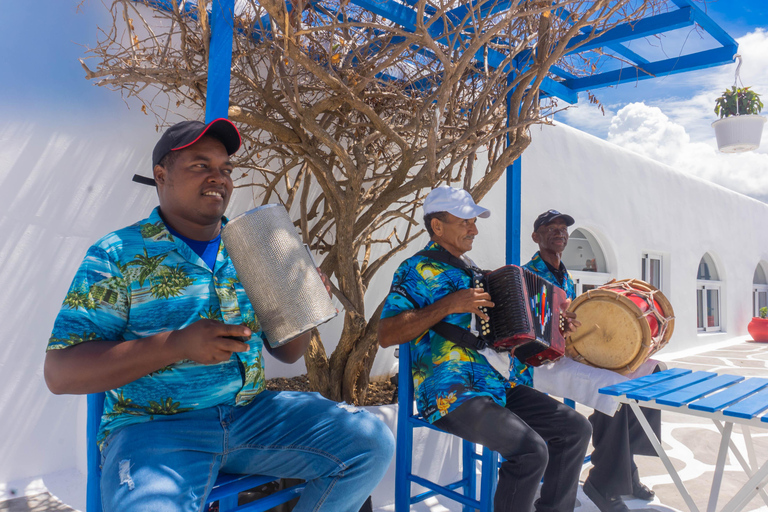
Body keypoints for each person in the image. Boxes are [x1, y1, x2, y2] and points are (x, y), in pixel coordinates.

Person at [44, 119, 394, 512]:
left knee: (371, 442)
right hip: (155, 431)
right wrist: (176, 344)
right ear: (162, 175)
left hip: (253, 416)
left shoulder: (250, 247)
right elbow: (61, 373)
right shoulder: (116, 254)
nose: (219, 178)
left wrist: (303, 302)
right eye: (200, 166)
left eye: (226, 169)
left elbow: (288, 353)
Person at [378, 186, 592, 512]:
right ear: (437, 227)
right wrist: (448, 304)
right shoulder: (415, 269)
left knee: (576, 429)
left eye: (474, 222)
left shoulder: (476, 272)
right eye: (466, 221)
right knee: (531, 451)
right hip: (449, 391)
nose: (474, 229)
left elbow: (508, 334)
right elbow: (386, 333)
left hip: (496, 384)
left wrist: (553, 327)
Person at [521, 209, 662, 512]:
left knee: (648, 371)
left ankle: (625, 470)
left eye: (563, 228)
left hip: (568, 354)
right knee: (612, 388)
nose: (559, 232)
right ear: (536, 237)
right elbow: (528, 332)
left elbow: (573, 325)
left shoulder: (566, 276)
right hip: (539, 363)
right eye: (551, 228)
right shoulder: (526, 276)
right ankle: (604, 483)